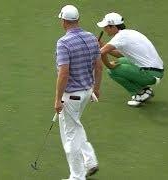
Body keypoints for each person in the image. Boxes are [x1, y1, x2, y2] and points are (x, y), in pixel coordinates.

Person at [55, 5, 103, 180]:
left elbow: (64, 73)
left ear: (64, 21)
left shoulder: (64, 43)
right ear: (77, 20)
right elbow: (98, 65)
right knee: (75, 127)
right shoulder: (91, 37)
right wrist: (96, 88)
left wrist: (57, 99)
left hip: (71, 96)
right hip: (87, 92)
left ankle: (77, 176)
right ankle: (90, 160)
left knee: (69, 139)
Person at [97, 12, 165, 106]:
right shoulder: (129, 33)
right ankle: (145, 90)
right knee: (120, 61)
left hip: (150, 74)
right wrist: (102, 46)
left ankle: (140, 93)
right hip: (156, 70)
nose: (104, 29)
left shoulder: (120, 37)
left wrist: (109, 65)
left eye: (106, 27)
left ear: (113, 27)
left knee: (112, 70)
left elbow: (101, 53)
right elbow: (121, 55)